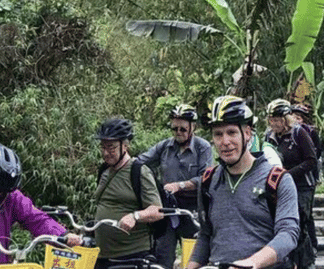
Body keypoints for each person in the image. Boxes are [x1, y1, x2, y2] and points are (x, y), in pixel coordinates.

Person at [188, 95, 299, 269]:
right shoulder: (208, 181)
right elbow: (205, 235)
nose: (225, 142)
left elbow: (288, 234)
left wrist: (252, 263)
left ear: (247, 133)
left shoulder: (277, 180)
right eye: (218, 134)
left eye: (231, 132)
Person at [137, 104, 213, 269]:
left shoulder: (203, 147)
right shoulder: (165, 146)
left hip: (193, 208)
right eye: (175, 128)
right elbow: (140, 162)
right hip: (168, 208)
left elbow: (206, 178)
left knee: (195, 255)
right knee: (163, 255)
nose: (178, 132)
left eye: (183, 129)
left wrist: (181, 185)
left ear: (193, 127)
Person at [93, 118, 163, 269]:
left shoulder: (138, 171)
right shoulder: (104, 170)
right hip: (103, 256)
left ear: (125, 145)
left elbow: (157, 211)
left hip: (132, 256)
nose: (105, 153)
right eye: (102, 147)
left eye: (111, 147)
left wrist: (135, 216)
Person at [264, 99, 317, 268]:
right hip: (278, 186)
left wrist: (288, 175)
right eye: (271, 120)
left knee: (300, 223)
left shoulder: (298, 133)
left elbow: (311, 160)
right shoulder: (268, 136)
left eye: (278, 120)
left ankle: (307, 262)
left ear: (286, 119)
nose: (274, 123)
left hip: (302, 185)